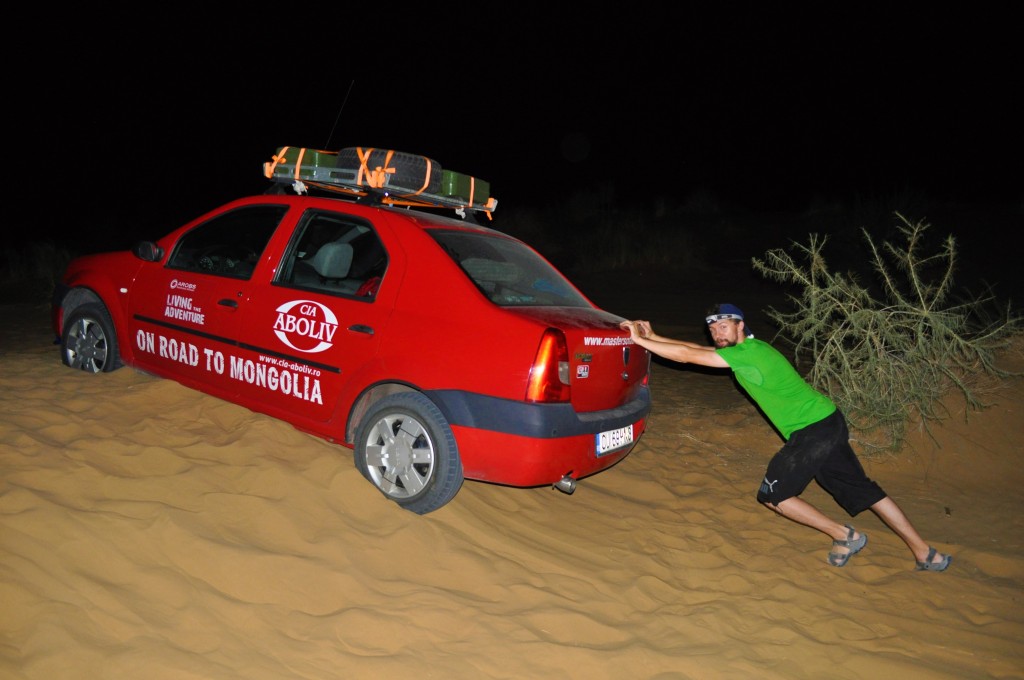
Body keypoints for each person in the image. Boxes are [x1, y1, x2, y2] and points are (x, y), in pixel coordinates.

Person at [619, 303, 952, 571]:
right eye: (713, 328)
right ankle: (925, 553)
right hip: (828, 420)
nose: (717, 333)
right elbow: (691, 348)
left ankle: (844, 535)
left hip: (812, 431)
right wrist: (655, 335)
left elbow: (688, 356)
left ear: (740, 325)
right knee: (864, 489)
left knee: (773, 496)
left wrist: (639, 340)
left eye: (724, 326)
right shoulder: (750, 348)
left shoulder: (751, 354)